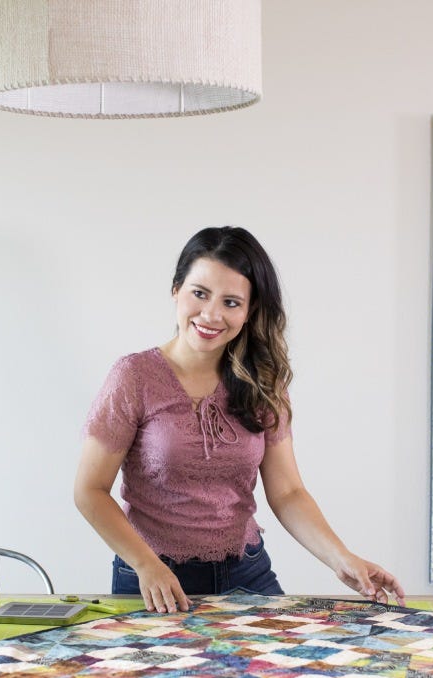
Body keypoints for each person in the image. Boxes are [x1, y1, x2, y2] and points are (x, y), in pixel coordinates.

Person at [74, 226, 405, 613]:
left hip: (247, 576)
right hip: (151, 580)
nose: (211, 314)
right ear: (176, 290)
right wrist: (148, 566)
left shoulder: (263, 381)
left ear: (249, 312)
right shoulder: (133, 376)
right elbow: (90, 490)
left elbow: (287, 493)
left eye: (231, 302)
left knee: (283, 672)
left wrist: (342, 559)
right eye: (200, 293)